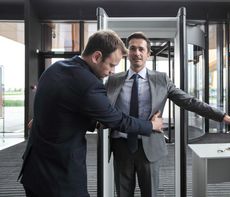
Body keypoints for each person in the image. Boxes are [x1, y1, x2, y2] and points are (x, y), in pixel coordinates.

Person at [18, 30, 164, 197]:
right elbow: (117, 120)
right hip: (60, 177)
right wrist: (152, 125)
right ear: (96, 57)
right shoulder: (89, 84)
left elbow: (60, 107)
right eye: (111, 64)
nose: (112, 71)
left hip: (33, 170)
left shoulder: (56, 68)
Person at [105, 31, 230, 197]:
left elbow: (189, 101)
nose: (137, 53)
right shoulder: (113, 80)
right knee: (122, 193)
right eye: (132, 48)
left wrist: (223, 116)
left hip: (150, 145)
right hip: (121, 146)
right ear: (126, 52)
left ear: (148, 53)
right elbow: (101, 106)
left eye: (141, 49)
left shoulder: (161, 79)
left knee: (150, 193)